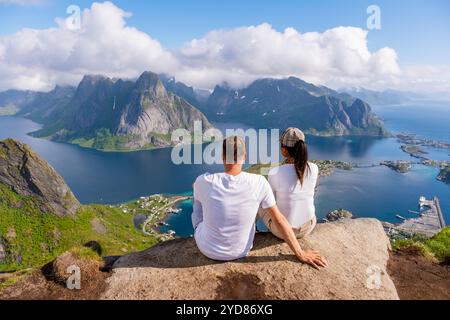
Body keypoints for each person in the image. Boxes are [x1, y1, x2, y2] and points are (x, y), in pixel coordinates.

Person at [191, 136, 327, 269]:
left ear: (222, 156)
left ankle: (199, 227)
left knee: (198, 198)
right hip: (241, 250)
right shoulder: (259, 182)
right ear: (244, 156)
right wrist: (300, 253)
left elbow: (198, 197)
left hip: (208, 249)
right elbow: (279, 219)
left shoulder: (204, 181)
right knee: (258, 202)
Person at [260, 127, 319, 239]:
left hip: (283, 232)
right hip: (308, 227)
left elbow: (269, 203)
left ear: (284, 149)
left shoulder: (275, 172)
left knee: (260, 198)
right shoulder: (314, 168)